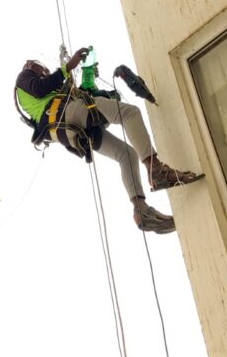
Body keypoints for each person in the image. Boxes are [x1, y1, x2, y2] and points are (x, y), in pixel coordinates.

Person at [15, 49, 203, 234]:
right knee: (130, 113)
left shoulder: (53, 92)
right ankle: (156, 170)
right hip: (66, 116)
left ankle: (141, 209)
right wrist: (70, 65)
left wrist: (87, 74)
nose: (46, 71)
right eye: (43, 69)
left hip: (71, 129)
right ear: (31, 65)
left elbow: (82, 93)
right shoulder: (24, 77)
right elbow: (41, 88)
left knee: (126, 154)